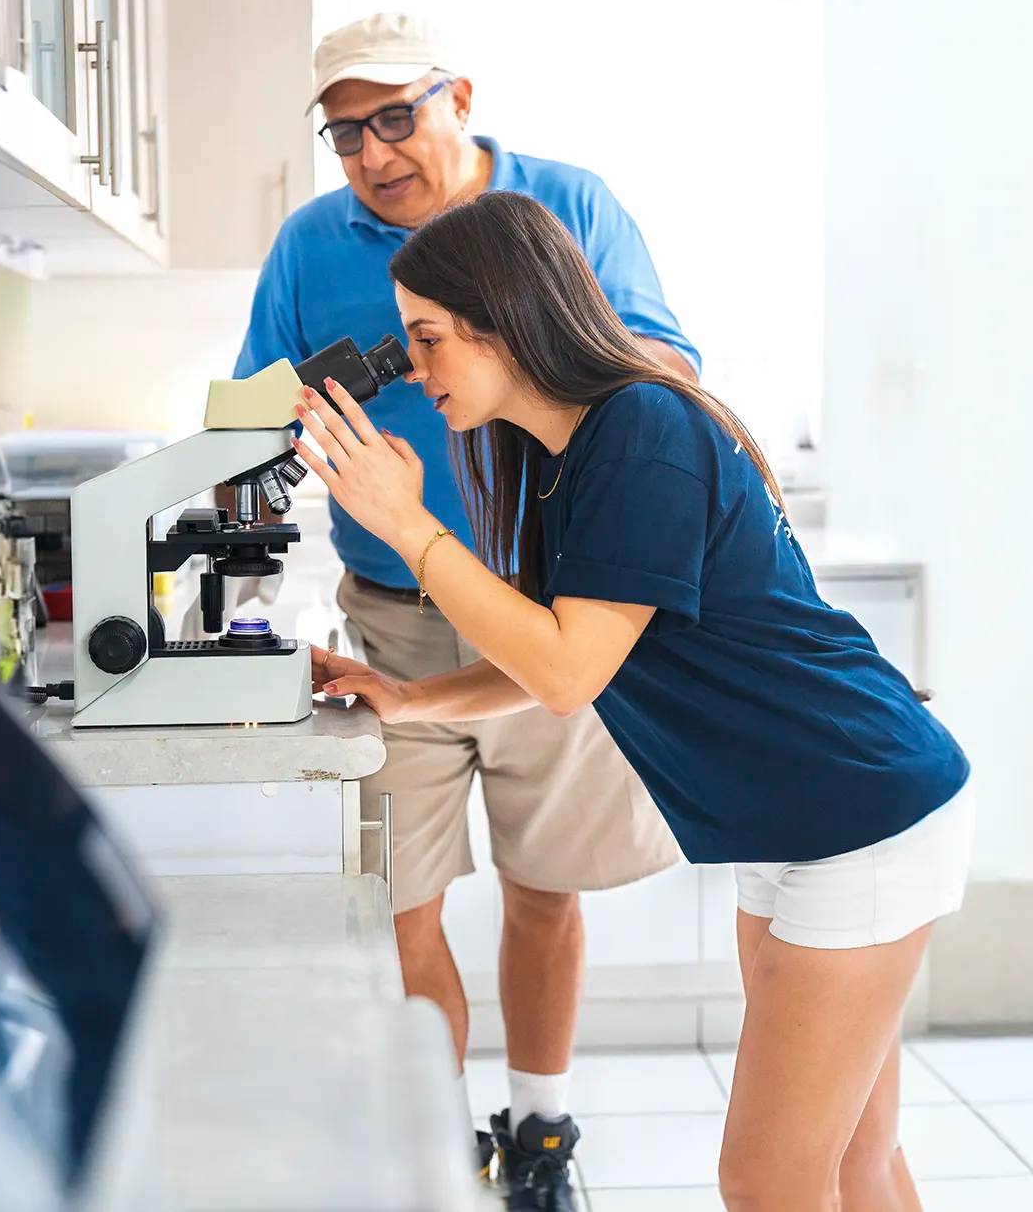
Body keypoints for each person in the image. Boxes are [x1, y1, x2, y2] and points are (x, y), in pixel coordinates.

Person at [291, 189, 973, 1212]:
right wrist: (410, 699)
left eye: (427, 339)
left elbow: (567, 675)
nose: (414, 371)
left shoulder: (642, 431)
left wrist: (406, 523)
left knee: (768, 1176)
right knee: (851, 1163)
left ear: (506, 319)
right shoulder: (570, 458)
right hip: (798, 823)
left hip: (861, 814)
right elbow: (564, 653)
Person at [233, 12, 701, 1206]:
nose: (376, 152)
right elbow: (250, 423)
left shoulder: (566, 207)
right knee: (399, 903)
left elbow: (664, 373)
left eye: (397, 115)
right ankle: (434, 1152)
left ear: (459, 98)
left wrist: (511, 361)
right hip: (392, 613)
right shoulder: (308, 245)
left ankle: (539, 1135)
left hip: (557, 606)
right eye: (347, 134)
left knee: (545, 887)